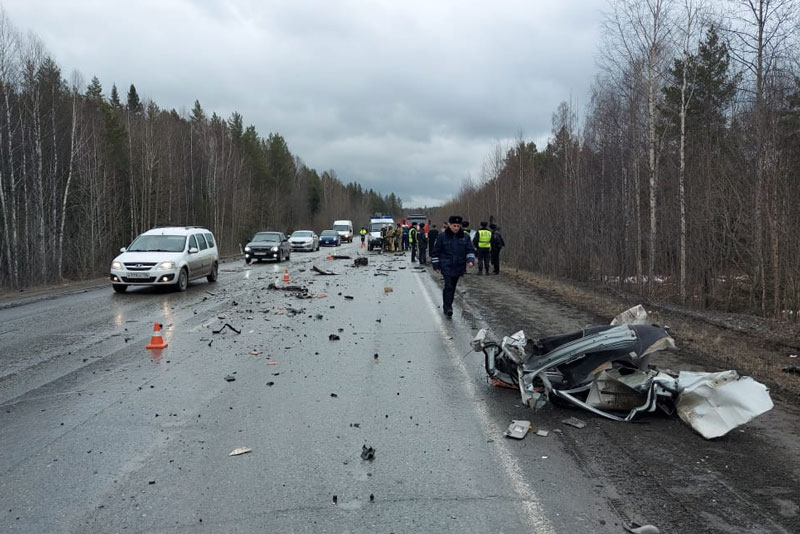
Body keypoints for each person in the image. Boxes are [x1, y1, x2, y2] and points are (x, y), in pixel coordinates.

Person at [431, 216, 476, 317]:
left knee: (453, 287)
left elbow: (470, 250)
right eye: (454, 226)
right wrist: (436, 266)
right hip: (446, 265)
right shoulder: (442, 236)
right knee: (448, 286)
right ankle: (447, 308)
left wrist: (470, 261)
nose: (456, 228)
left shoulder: (465, 237)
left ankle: (448, 304)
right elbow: (436, 252)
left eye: (458, 226)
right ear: (449, 225)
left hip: (458, 266)